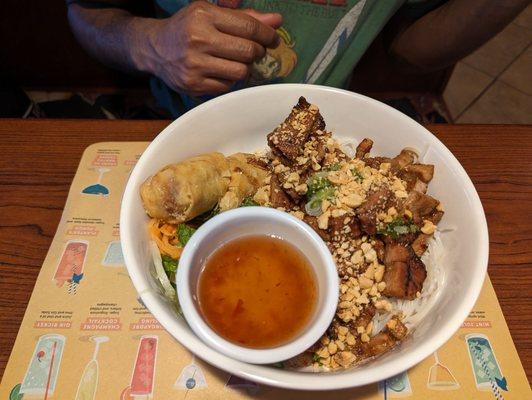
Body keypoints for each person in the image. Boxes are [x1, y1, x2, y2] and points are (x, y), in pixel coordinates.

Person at [66, 0, 528, 116]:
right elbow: (85, 13)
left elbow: (408, 51)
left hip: (327, 128)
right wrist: (149, 42)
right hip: (169, 117)